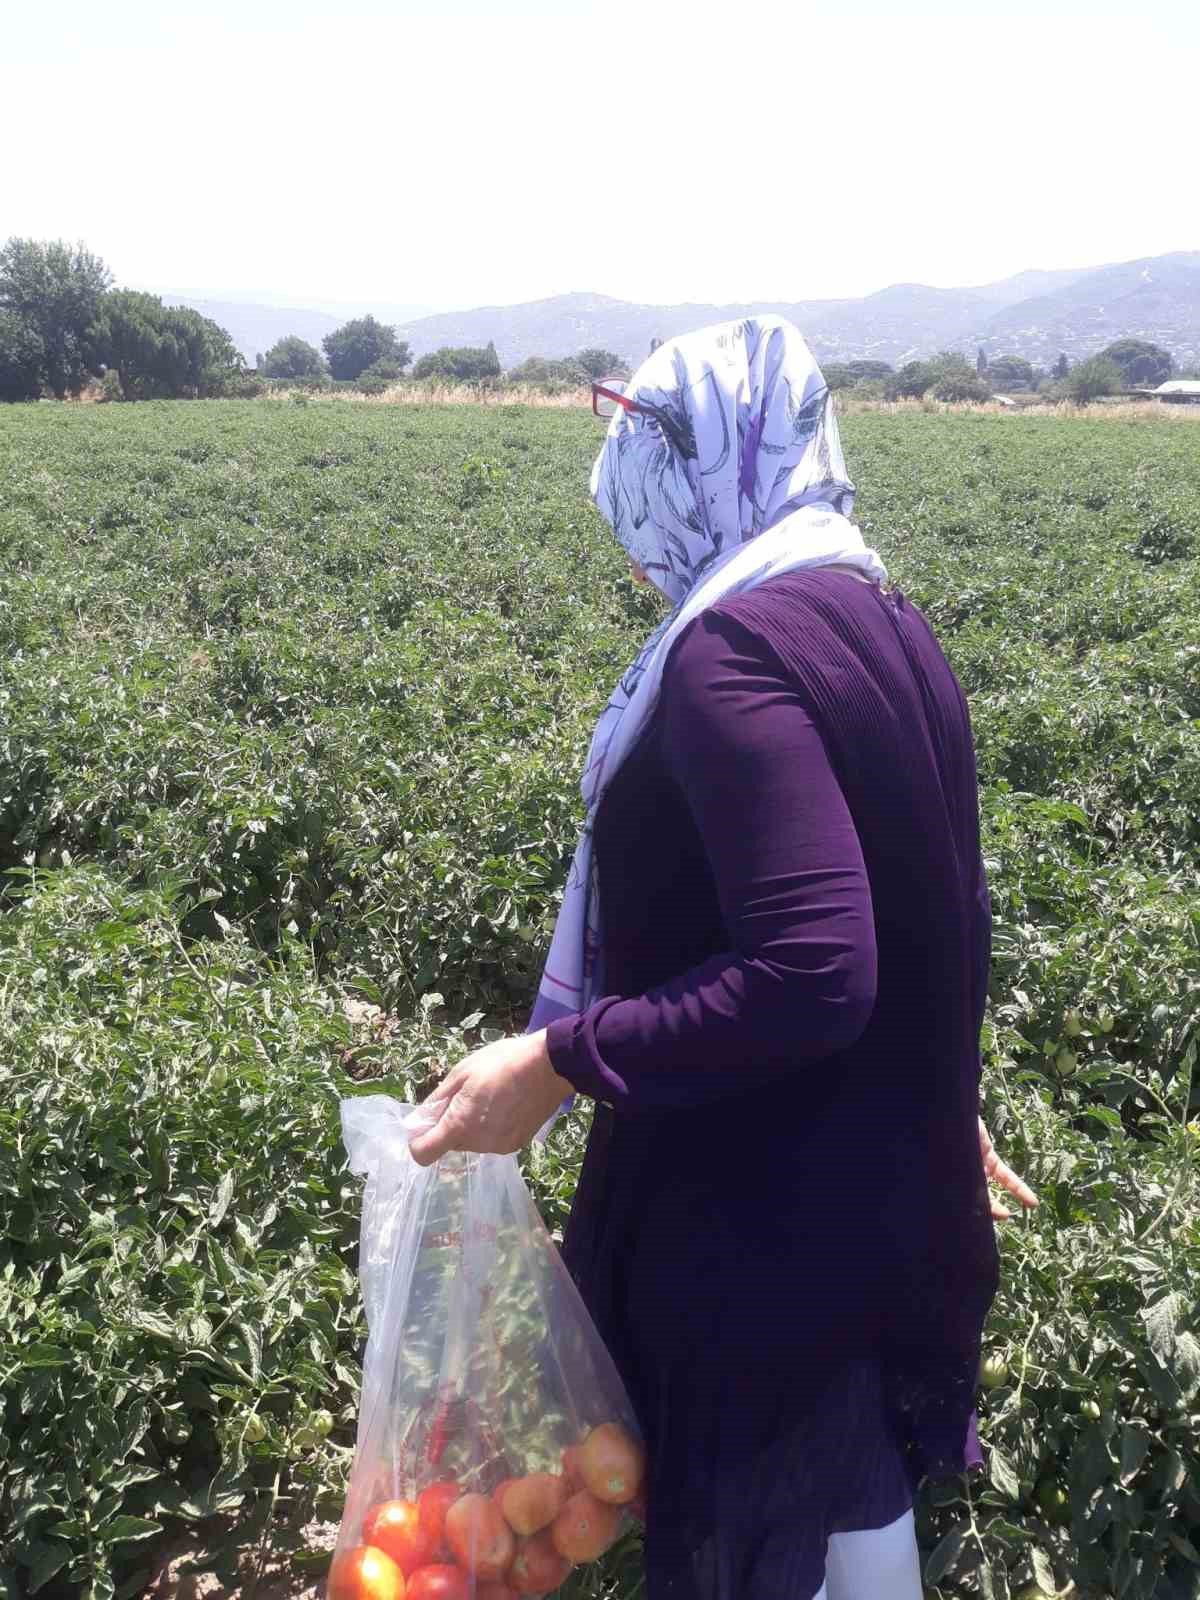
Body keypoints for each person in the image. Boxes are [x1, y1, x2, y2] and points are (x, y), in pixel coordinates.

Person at [409, 318, 1037, 1600]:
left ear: (701, 472)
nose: (625, 518)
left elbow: (815, 966)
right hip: (871, 1204)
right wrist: (936, 1097)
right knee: (854, 1536)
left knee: (769, 1541)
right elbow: (941, 906)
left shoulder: (729, 654)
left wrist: (561, 1059)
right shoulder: (879, 611)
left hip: (765, 1236)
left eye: (641, 468)